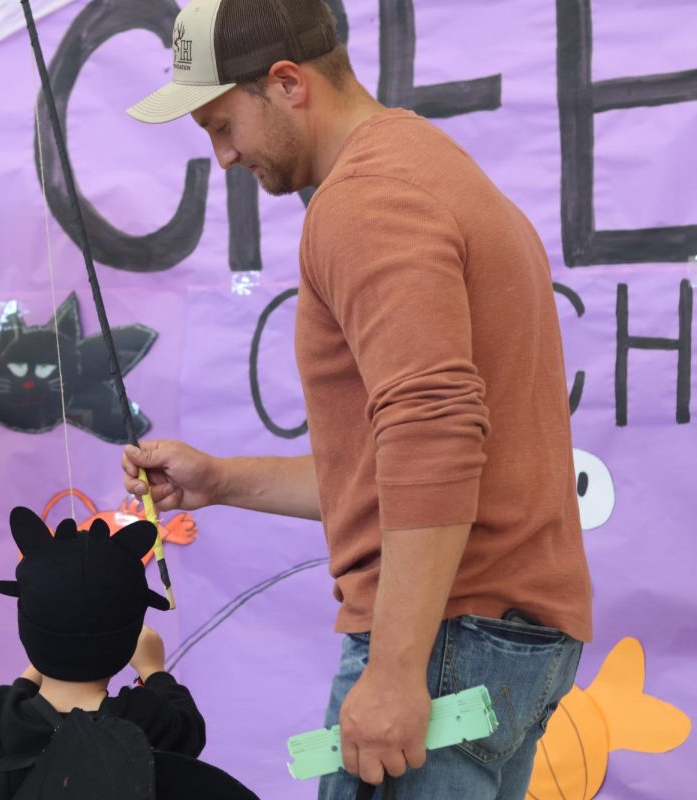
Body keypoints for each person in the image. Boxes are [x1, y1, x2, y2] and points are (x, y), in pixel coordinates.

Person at [122, 1, 593, 797]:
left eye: (220, 123)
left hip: (448, 637)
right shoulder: (424, 166)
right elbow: (402, 465)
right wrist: (220, 481)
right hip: (499, 633)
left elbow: (433, 434)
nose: (224, 156)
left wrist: (397, 670)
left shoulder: (364, 202)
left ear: (286, 83)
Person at [0, 507, 255, 800]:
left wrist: (43, 658)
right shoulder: (142, 718)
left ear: (27, 631)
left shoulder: (5, 718)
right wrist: (153, 670)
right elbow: (190, 732)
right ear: (130, 638)